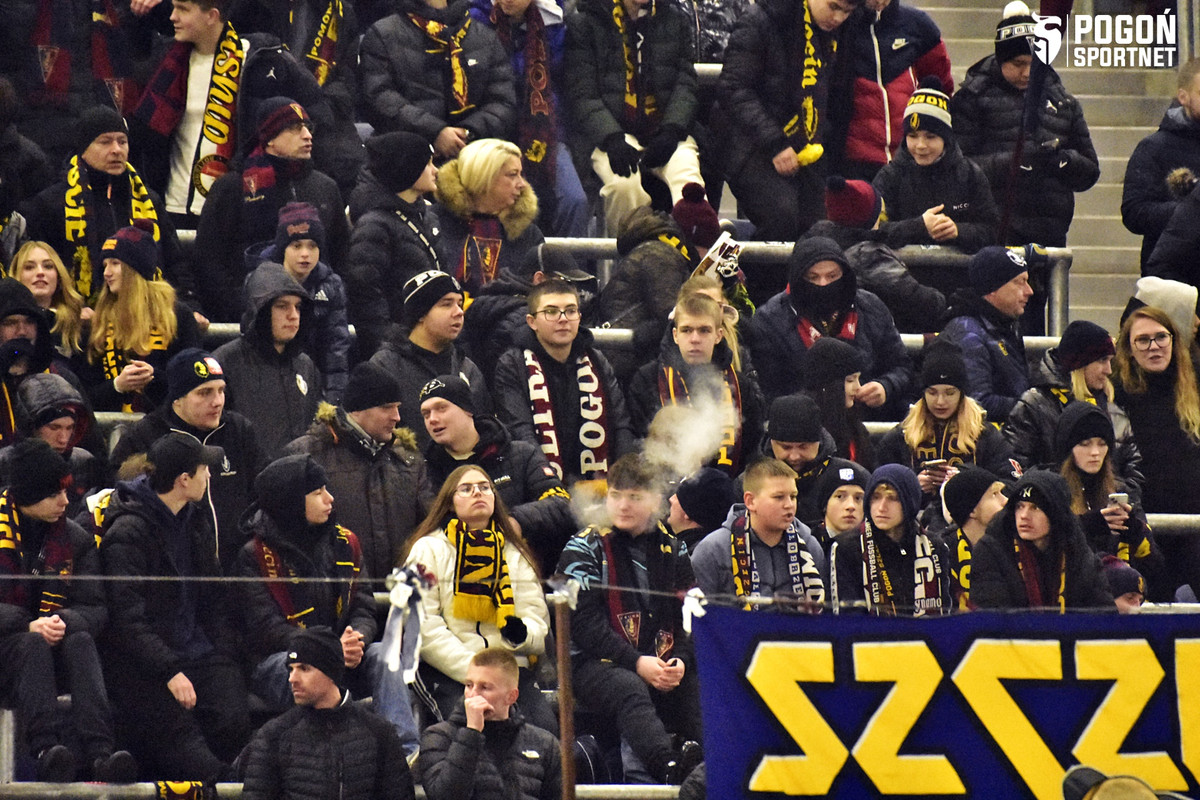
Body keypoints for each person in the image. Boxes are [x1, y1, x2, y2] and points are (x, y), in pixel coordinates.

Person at [234, 454, 420, 755]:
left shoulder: (346, 542)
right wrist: (328, 650)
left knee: (382, 655)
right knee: (305, 668)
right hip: (281, 661)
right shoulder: (254, 556)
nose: (329, 498)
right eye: (318, 492)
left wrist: (357, 638)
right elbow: (266, 630)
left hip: (343, 654)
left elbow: (363, 606)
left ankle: (405, 751)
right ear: (292, 502)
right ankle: (329, 752)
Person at [99, 433, 251, 780]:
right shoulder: (127, 532)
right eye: (204, 469)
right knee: (183, 741)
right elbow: (128, 620)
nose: (209, 475)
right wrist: (168, 669)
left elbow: (214, 598)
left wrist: (224, 650)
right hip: (144, 662)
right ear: (184, 480)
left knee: (233, 717)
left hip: (199, 649)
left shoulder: (195, 519)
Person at [557, 453, 702, 785]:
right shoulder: (582, 547)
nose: (623, 505)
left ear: (655, 500)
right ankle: (668, 766)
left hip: (658, 658)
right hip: (589, 663)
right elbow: (582, 625)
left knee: (696, 684)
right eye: (615, 495)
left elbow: (689, 616)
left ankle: (714, 769)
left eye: (635, 496)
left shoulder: (675, 548)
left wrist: (679, 660)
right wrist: (637, 662)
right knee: (629, 687)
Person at [0, 439, 136, 783]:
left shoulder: (75, 539)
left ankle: (102, 754)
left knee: (80, 640)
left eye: (65, 491)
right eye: (54, 494)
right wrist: (26, 624)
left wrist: (62, 621)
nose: (65, 502)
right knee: (31, 643)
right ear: (26, 495)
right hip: (8, 650)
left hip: (52, 649)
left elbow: (95, 607)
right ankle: (46, 751)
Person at [129, 0, 333, 224]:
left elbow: (317, 114)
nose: (172, 16)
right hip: (174, 206)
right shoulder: (167, 62)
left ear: (211, 16)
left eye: (183, 10)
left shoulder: (263, 59)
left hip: (239, 208)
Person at [401, 465, 554, 732]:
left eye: (485, 487)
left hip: (509, 670)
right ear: (450, 503)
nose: (477, 493)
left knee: (545, 733)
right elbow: (423, 626)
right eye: (466, 489)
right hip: (450, 671)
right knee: (475, 733)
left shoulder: (514, 552)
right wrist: (476, 674)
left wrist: (519, 635)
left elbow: (537, 624)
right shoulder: (428, 549)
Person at [950, 0, 1099, 251]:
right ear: (1001, 59)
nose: (1028, 72)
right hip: (994, 231)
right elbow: (957, 169)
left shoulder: (1063, 102)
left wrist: (1062, 160)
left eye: (1034, 62)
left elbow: (1090, 172)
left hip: (1049, 234)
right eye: (1018, 64)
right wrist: (1012, 163)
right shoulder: (972, 99)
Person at [716, 0, 864, 253]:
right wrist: (775, 143)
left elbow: (837, 98)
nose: (839, 18)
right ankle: (755, 275)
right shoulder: (761, 19)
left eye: (847, 12)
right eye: (833, 7)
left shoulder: (842, 32)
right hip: (750, 140)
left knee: (823, 227)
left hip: (808, 142)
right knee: (781, 216)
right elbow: (733, 88)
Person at [20, 107, 196, 307]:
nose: (116, 150)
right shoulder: (50, 204)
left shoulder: (150, 200)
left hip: (144, 312)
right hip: (76, 315)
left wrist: (189, 307)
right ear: (83, 149)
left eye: (122, 141)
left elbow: (176, 264)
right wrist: (68, 310)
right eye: (105, 142)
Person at [193, 97, 349, 322]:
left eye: (308, 127)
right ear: (269, 138)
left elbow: (340, 255)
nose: (307, 135)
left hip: (317, 316)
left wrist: (330, 303)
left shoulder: (326, 187)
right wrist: (242, 308)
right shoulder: (232, 187)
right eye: (295, 128)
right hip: (248, 315)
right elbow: (209, 259)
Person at [108, 348, 261, 570]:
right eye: (204, 392)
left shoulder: (238, 430)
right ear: (177, 399)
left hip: (236, 573)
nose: (217, 401)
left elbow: (262, 491)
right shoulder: (144, 436)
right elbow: (120, 499)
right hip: (172, 573)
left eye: (221, 391)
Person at [564, 0, 703, 238]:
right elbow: (582, 93)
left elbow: (686, 83)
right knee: (623, 187)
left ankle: (695, 254)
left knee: (691, 185)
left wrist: (672, 129)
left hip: (664, 128)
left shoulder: (674, 18)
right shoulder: (586, 21)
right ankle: (631, 254)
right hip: (610, 134)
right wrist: (612, 138)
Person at [283, 362, 430, 582]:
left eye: (397, 407)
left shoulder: (409, 460)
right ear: (358, 409)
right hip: (336, 594)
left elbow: (429, 526)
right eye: (386, 407)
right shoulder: (305, 456)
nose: (397, 417)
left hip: (401, 594)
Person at [239, 626, 416, 800]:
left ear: (330, 672)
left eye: (304, 668)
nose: (292, 678)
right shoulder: (273, 736)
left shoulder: (380, 734)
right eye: (291, 669)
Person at [419, 375, 572, 574]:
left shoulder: (521, 454)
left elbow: (561, 503)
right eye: (426, 414)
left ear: (467, 409)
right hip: (459, 579)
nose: (432, 419)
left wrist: (514, 522)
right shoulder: (426, 471)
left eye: (441, 408)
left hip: (527, 573)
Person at [748, 236, 913, 416]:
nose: (823, 284)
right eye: (813, 277)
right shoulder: (769, 321)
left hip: (866, 421)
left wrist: (886, 386)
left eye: (832, 276)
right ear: (798, 278)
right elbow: (768, 392)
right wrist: (823, 397)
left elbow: (902, 366)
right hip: (804, 424)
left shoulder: (871, 307)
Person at [493, 278, 635, 485]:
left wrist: (623, 479)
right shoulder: (512, 364)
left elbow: (621, 424)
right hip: (539, 484)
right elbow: (520, 432)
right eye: (551, 312)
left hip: (599, 487)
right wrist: (550, 483)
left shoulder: (596, 359)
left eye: (570, 311)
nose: (563, 319)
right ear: (532, 322)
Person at [470, 0, 588, 238]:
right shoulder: (474, 22)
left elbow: (565, 87)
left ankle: (567, 261)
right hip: (491, 133)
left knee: (574, 200)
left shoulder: (554, 24)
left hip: (544, 132)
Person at [876, 338, 1018, 522]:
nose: (940, 401)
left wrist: (969, 484)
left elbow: (1012, 485)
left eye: (950, 393)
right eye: (932, 393)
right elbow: (877, 488)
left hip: (972, 525)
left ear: (962, 393)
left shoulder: (985, 434)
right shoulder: (901, 436)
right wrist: (911, 486)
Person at [1112, 305, 1200, 599]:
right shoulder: (1116, 393)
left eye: (1161, 337)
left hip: (1195, 524)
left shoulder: (1194, 383)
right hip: (1144, 528)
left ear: (1174, 340)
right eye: (1143, 340)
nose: (1154, 346)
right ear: (1129, 349)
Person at [628, 292, 765, 476]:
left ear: (718, 335)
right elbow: (637, 447)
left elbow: (751, 452)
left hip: (727, 487)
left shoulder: (740, 386)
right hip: (663, 486)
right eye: (686, 330)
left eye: (704, 330)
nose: (694, 339)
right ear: (675, 335)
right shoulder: (647, 380)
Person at [1005, 319, 1142, 492]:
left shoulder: (1113, 407)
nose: (1108, 370)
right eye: (1102, 360)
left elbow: (1134, 472)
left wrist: (1115, 497)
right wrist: (1064, 489)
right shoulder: (1034, 405)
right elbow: (1014, 470)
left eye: (1110, 360)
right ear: (1079, 364)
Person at [358, 0, 515, 150]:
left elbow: (502, 100)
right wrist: (436, 132)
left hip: (476, 153)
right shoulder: (383, 34)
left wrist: (467, 133)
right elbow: (378, 98)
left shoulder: (484, 36)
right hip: (411, 156)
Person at [80, 225, 201, 412]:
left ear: (136, 269)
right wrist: (117, 386)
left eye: (115, 263)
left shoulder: (178, 316)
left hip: (167, 421)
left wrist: (153, 377)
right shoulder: (99, 320)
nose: (106, 273)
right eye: (105, 265)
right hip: (112, 424)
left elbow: (195, 380)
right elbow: (85, 393)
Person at [871, 77, 998, 253]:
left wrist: (958, 231)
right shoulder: (890, 176)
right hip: (901, 268)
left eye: (930, 137)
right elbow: (872, 231)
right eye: (912, 136)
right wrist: (919, 226)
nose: (920, 145)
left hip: (957, 270)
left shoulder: (969, 175)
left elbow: (992, 231)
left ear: (946, 139)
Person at [1054, 402, 1165, 600]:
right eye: (1085, 444)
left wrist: (1136, 533)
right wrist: (1086, 525)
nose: (1095, 452)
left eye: (1102, 443)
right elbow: (1046, 552)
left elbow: (1157, 572)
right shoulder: (1052, 490)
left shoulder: (1122, 491)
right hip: (1071, 601)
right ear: (1068, 447)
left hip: (1122, 601)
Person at [830, 0, 952, 181]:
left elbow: (942, 91)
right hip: (853, 161)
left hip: (912, 158)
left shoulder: (919, 25)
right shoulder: (837, 24)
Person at [368, 270, 492, 449]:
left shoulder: (468, 368)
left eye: (459, 304)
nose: (459, 312)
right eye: (447, 304)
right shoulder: (384, 367)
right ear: (420, 313)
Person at [418, 647, 561, 800]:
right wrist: (471, 732)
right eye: (469, 685)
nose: (473, 694)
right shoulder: (438, 736)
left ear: (511, 697)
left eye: (485, 687)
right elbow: (444, 796)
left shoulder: (544, 743)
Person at [346, 133, 442, 358]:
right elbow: (366, 298)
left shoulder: (429, 217)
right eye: (427, 163)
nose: (436, 170)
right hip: (398, 351)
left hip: (432, 340)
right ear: (407, 169)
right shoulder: (373, 226)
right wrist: (390, 349)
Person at [212, 261, 319, 459]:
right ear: (260, 311)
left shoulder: (306, 365)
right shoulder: (224, 362)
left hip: (300, 474)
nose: (293, 316)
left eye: (298, 307)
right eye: (282, 306)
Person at [692, 458, 827, 611]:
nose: (789, 505)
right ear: (750, 501)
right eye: (778, 497)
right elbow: (700, 616)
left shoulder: (810, 546)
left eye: (793, 496)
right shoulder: (712, 550)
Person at [248, 202, 351, 402]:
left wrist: (333, 402)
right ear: (283, 248)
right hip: (268, 384)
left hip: (314, 383)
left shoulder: (331, 285)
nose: (305, 253)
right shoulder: (259, 282)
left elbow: (335, 349)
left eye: (313, 246)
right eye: (296, 246)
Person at [970, 470, 1113, 611]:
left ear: (1055, 514)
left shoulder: (1080, 556)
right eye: (1019, 506)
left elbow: (1103, 616)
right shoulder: (991, 552)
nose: (1024, 515)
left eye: (1035, 507)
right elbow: (992, 616)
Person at [830, 463, 952, 615]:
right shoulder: (846, 547)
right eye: (875, 497)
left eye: (893, 498)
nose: (882, 507)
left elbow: (946, 612)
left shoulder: (936, 546)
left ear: (909, 502)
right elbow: (847, 616)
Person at [433, 139, 545, 296]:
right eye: (513, 175)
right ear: (483, 177)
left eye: (521, 174)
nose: (522, 184)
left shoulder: (527, 234)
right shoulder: (433, 222)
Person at [596, 208, 695, 383]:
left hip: (623, 358)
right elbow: (669, 314)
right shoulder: (658, 255)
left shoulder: (647, 253)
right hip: (633, 361)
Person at [937, 245, 1034, 422]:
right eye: (1019, 282)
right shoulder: (967, 332)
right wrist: (1035, 406)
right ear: (993, 288)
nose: (1029, 291)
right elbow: (977, 403)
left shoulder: (1004, 324)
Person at [1121, 57, 1200, 272]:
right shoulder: (1154, 148)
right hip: (1173, 273)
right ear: (1183, 97)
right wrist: (1189, 211)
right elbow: (1134, 212)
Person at [0, 279, 81, 447]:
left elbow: (91, 445)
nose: (22, 331)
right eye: (10, 323)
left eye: (29, 322)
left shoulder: (60, 377)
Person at [11, 373, 102, 518]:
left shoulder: (85, 463)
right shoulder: (6, 466)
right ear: (30, 426)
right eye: (54, 428)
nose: (63, 439)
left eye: (70, 428)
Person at [940, 464, 1008, 609]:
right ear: (972, 510)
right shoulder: (943, 552)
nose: (1005, 500)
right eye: (994, 494)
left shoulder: (1015, 544)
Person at [801, 337, 875, 470]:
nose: (858, 387)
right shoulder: (806, 426)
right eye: (850, 380)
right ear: (829, 384)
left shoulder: (855, 428)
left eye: (858, 379)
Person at [7, 242, 88, 358]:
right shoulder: (4, 320)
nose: (40, 272)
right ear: (16, 276)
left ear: (58, 276)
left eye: (48, 266)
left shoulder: (78, 324)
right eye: (29, 267)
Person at [666, 467, 737, 552]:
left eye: (678, 497)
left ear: (689, 512)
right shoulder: (721, 550)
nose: (671, 499)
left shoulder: (693, 557)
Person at [809, 459, 870, 553]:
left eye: (858, 498)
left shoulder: (873, 546)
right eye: (840, 496)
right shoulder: (806, 543)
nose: (851, 506)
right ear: (825, 504)